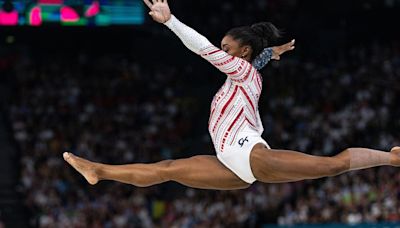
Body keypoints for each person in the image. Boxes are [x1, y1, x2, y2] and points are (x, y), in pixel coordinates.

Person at [63, 0, 400, 190]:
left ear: (243, 52)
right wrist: (272, 54)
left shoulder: (241, 70)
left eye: (228, 48)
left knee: (332, 165)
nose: (221, 52)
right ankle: (98, 170)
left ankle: (392, 158)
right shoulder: (242, 74)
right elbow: (257, 61)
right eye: (222, 47)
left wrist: (171, 22)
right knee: (165, 168)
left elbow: (204, 49)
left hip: (248, 152)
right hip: (231, 164)